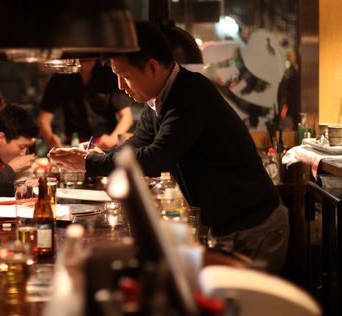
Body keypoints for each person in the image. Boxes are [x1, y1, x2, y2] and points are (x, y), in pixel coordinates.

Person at [49, 22, 289, 274]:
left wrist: (90, 164)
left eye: (126, 76)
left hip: (254, 227)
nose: (120, 86)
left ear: (152, 67)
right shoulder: (161, 98)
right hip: (227, 226)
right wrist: (96, 156)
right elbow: (137, 145)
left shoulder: (190, 93)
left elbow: (157, 158)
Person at [39, 59, 134, 150]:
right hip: (73, 144)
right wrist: (50, 138)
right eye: (80, 61)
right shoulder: (61, 76)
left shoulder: (109, 75)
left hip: (104, 145)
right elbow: (44, 118)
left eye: (88, 61)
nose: (83, 66)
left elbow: (127, 116)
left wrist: (113, 138)